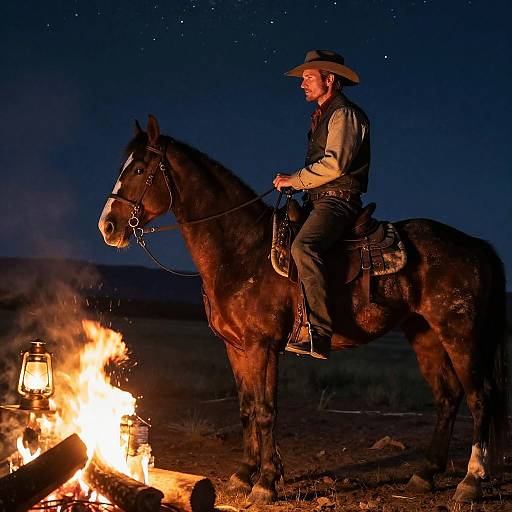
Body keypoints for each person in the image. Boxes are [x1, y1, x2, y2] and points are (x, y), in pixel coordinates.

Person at [273, 49, 371, 360]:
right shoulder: (322, 115)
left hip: (337, 201)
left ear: (329, 80)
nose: (302, 84)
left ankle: (318, 330)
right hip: (317, 200)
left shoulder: (344, 114)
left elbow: (334, 166)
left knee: (304, 247)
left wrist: (294, 180)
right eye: (302, 79)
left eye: (308, 78)